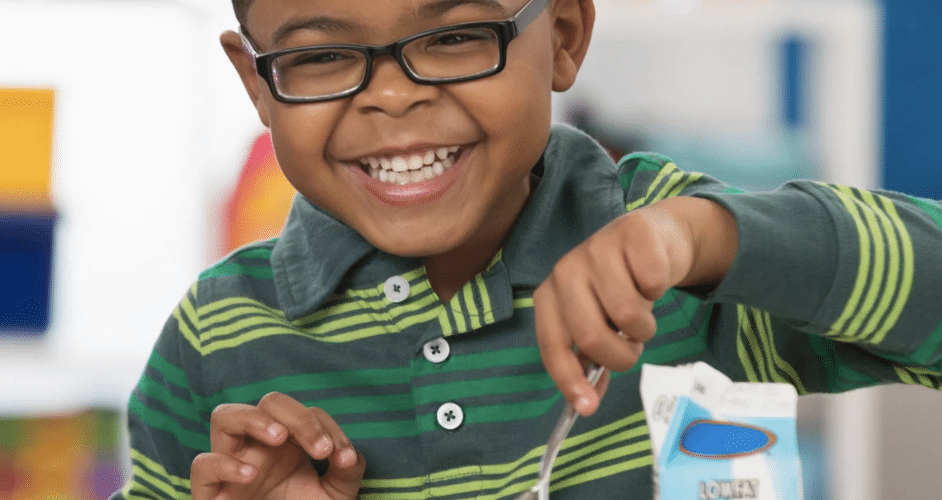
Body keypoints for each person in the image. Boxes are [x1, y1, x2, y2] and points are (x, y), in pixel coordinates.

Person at [110, 0, 942, 498]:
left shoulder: (679, 264)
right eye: (321, 55)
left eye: (456, 35)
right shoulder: (214, 346)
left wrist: (709, 235)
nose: (393, 96)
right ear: (258, 82)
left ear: (568, 33)